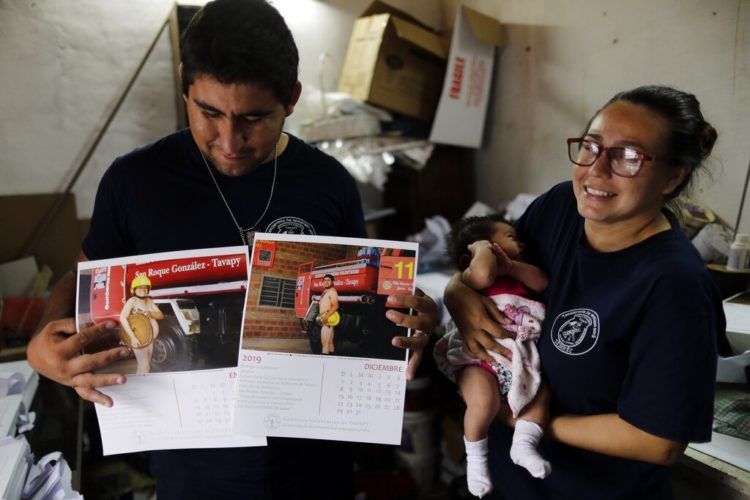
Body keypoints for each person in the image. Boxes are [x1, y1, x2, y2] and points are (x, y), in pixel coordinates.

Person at [26, 1, 439, 498]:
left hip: (314, 466)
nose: (229, 140)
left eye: (253, 118)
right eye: (209, 112)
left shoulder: (329, 183)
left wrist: (408, 316)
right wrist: (44, 346)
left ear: (292, 98)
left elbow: (372, 287)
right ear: (184, 83)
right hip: (192, 471)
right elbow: (89, 275)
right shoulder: (134, 181)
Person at [444, 85, 730, 499]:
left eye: (628, 157)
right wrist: (458, 292)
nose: (596, 171)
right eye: (591, 146)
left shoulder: (674, 284)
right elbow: (491, 268)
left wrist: (526, 422)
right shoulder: (559, 207)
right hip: (505, 486)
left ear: (673, 177)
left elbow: (659, 441)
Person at [434, 216, 550, 498]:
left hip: (519, 356)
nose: (520, 242)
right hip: (479, 356)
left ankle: (524, 444)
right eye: (510, 236)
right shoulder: (472, 277)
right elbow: (484, 274)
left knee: (540, 395)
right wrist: (481, 249)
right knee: (482, 401)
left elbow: (542, 282)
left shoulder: (519, 274)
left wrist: (512, 266)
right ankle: (476, 459)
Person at [119, 275, 164, 374]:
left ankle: (138, 386)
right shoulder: (132, 301)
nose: (142, 290)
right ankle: (143, 387)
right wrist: (133, 338)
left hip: (149, 338)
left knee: (144, 366)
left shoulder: (149, 301)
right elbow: (122, 317)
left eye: (145, 288)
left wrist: (150, 313)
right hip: (138, 338)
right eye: (139, 288)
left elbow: (161, 315)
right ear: (134, 289)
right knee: (145, 367)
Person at [318, 273, 340, 354]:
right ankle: (332, 361)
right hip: (326, 318)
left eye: (328, 280)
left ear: (332, 282)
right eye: (325, 280)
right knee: (330, 342)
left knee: (324, 343)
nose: (326, 282)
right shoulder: (326, 291)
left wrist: (325, 317)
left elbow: (335, 306)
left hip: (327, 320)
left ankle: (323, 363)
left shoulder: (332, 292)